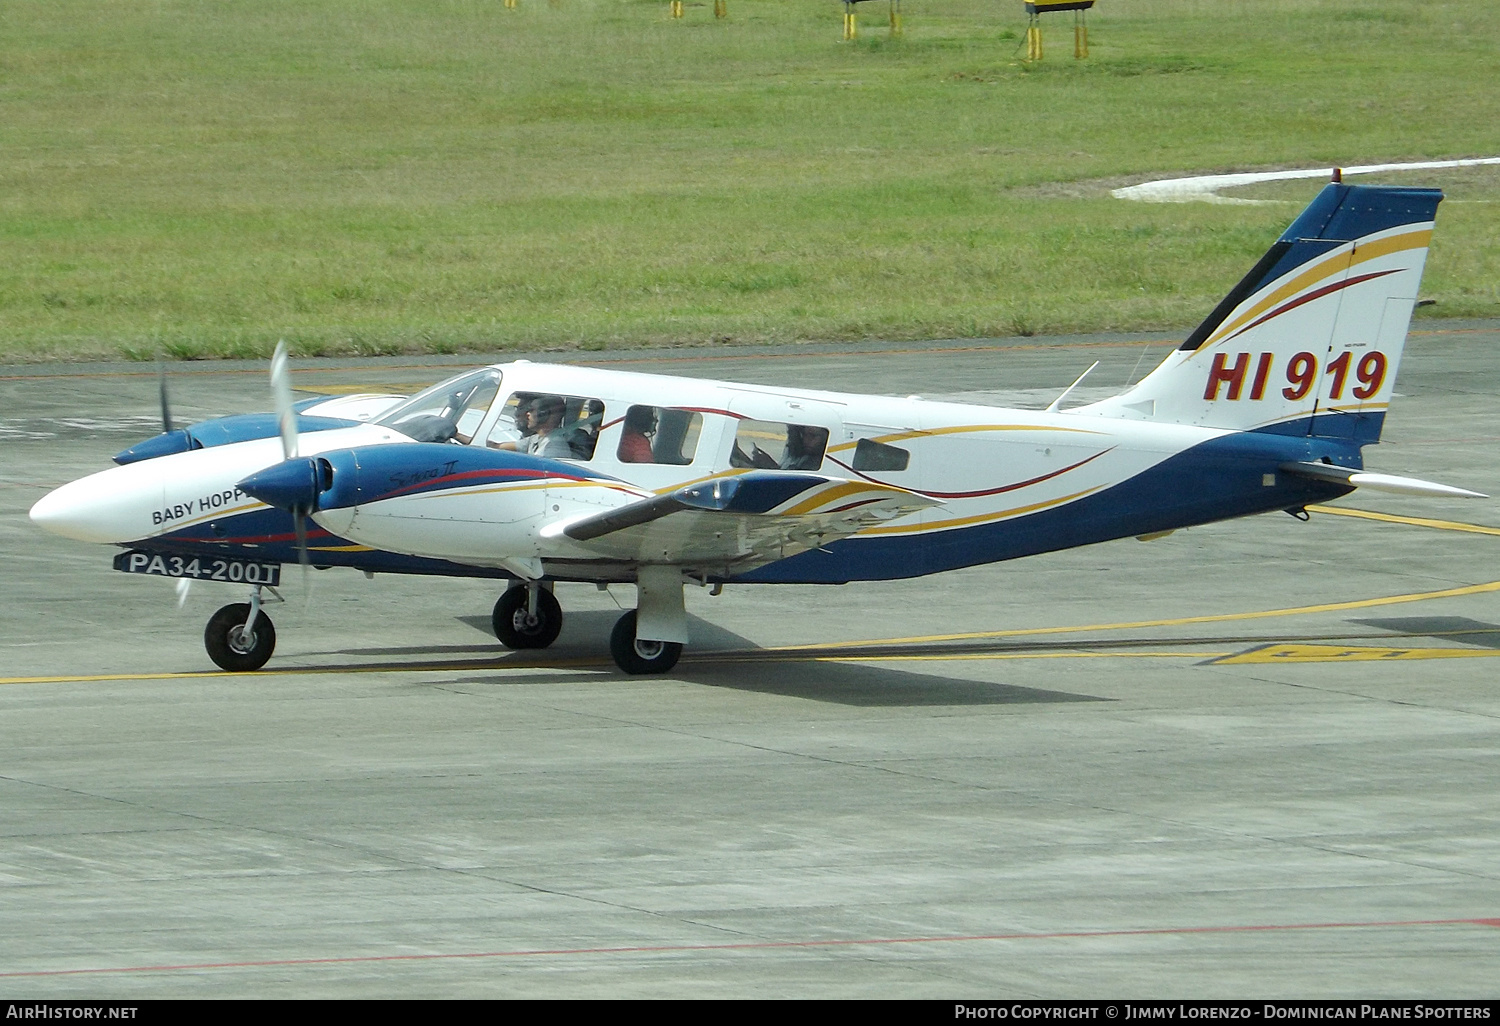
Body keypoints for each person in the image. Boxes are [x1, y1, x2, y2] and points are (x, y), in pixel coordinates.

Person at [520, 395, 574, 459]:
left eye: (532, 410)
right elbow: (511, 446)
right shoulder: (537, 438)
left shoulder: (553, 445)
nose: (528, 414)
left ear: (545, 414)